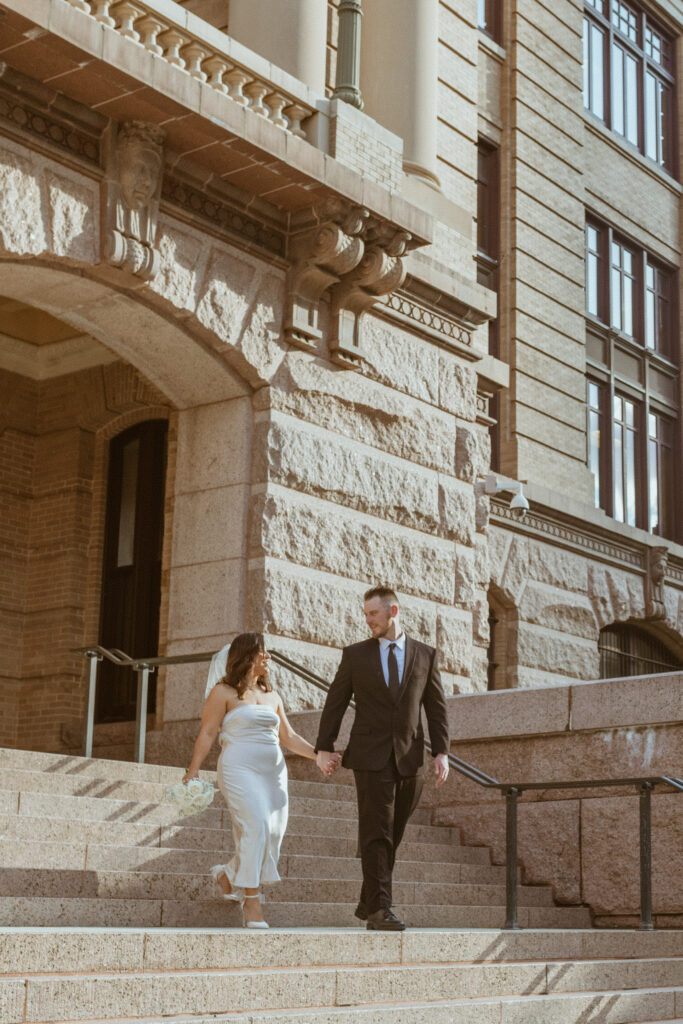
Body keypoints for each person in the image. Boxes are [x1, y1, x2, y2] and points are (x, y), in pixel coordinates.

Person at [315, 586, 450, 931]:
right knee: (377, 832)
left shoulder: (425, 655)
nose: (367, 620)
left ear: (393, 612)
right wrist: (323, 746)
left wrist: (441, 751)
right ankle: (379, 911)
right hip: (369, 756)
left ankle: (369, 900)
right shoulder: (356, 655)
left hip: (410, 759)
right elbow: (336, 702)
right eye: (365, 614)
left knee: (393, 832)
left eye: (372, 613)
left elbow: (435, 708)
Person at [183, 632, 339, 927]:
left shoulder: (273, 696)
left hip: (273, 773)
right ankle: (251, 901)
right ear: (247, 656)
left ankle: (228, 874)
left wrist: (318, 755)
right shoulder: (223, 693)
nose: (268, 657)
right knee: (256, 824)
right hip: (238, 768)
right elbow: (207, 732)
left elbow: (289, 737)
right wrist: (193, 770)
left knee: (274, 832)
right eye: (263, 652)